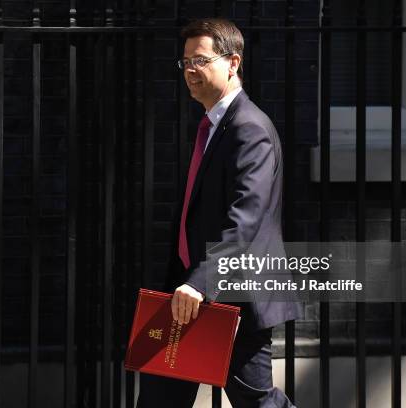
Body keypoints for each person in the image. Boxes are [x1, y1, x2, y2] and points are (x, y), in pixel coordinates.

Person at [136, 18, 303, 408]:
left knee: (256, 401)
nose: (190, 70)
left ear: (233, 62)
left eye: (200, 60)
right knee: (159, 397)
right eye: (185, 63)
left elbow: (246, 216)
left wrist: (201, 282)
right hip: (190, 291)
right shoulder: (215, 125)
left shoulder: (249, 128)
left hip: (230, 292)